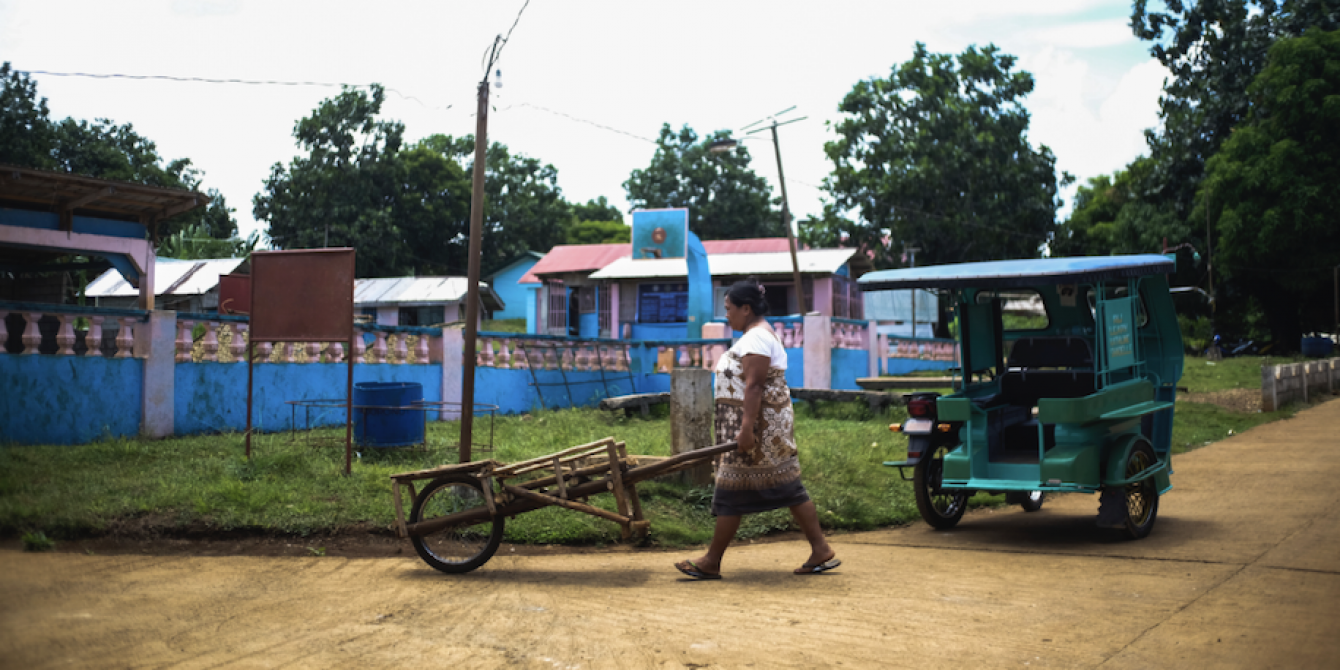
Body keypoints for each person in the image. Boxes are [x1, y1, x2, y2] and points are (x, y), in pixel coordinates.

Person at [674, 279, 839, 580]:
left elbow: (755, 386)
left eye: (729, 309)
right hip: (760, 427)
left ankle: (712, 560)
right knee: (782, 487)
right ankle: (820, 548)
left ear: (746, 308)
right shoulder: (758, 335)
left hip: (758, 429)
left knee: (732, 488)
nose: (727, 316)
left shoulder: (755, 339)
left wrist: (747, 429)